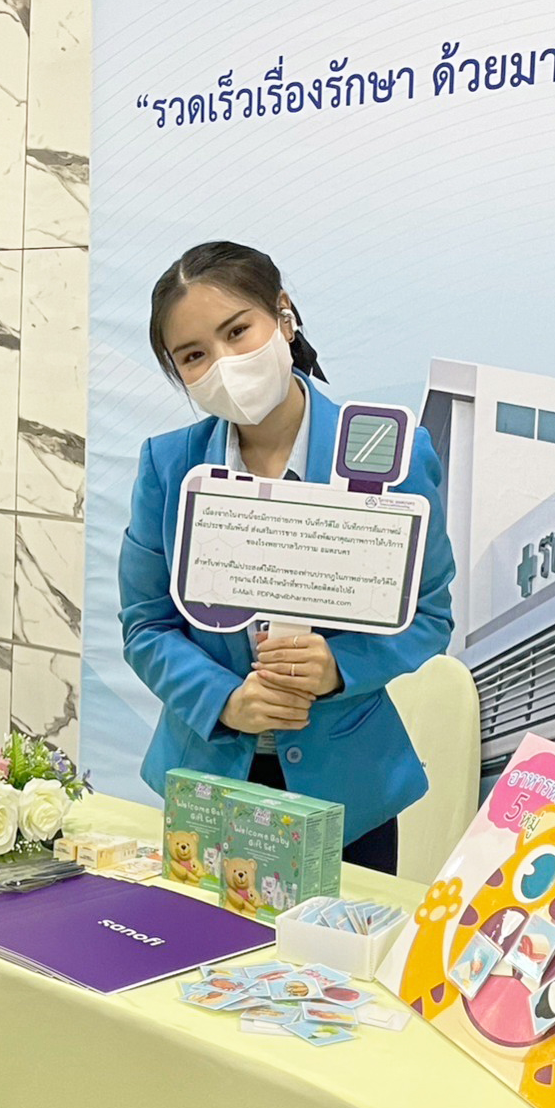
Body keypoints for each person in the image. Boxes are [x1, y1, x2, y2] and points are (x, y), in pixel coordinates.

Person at [118, 241, 456, 875]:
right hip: (209, 784)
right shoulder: (169, 467)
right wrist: (224, 699)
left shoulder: (390, 454)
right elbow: (146, 626)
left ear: (284, 315)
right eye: (194, 355)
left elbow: (430, 616)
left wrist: (338, 667)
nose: (224, 364)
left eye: (237, 332)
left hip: (349, 799)